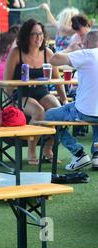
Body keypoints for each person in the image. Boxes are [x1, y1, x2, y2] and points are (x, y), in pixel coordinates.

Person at [4, 19, 67, 164]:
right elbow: (6, 81)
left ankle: (47, 148)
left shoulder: (48, 53)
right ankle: (31, 151)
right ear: (26, 36)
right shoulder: (16, 53)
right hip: (20, 94)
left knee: (58, 109)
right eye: (34, 34)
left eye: (40, 34)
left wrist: (64, 99)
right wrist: (12, 100)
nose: (39, 37)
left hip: (41, 92)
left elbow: (58, 80)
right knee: (39, 111)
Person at [46, 30, 98, 171]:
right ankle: (97, 155)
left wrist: (71, 49)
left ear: (86, 43)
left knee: (49, 115)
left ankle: (78, 153)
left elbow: (53, 59)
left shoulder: (86, 54)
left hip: (83, 111)